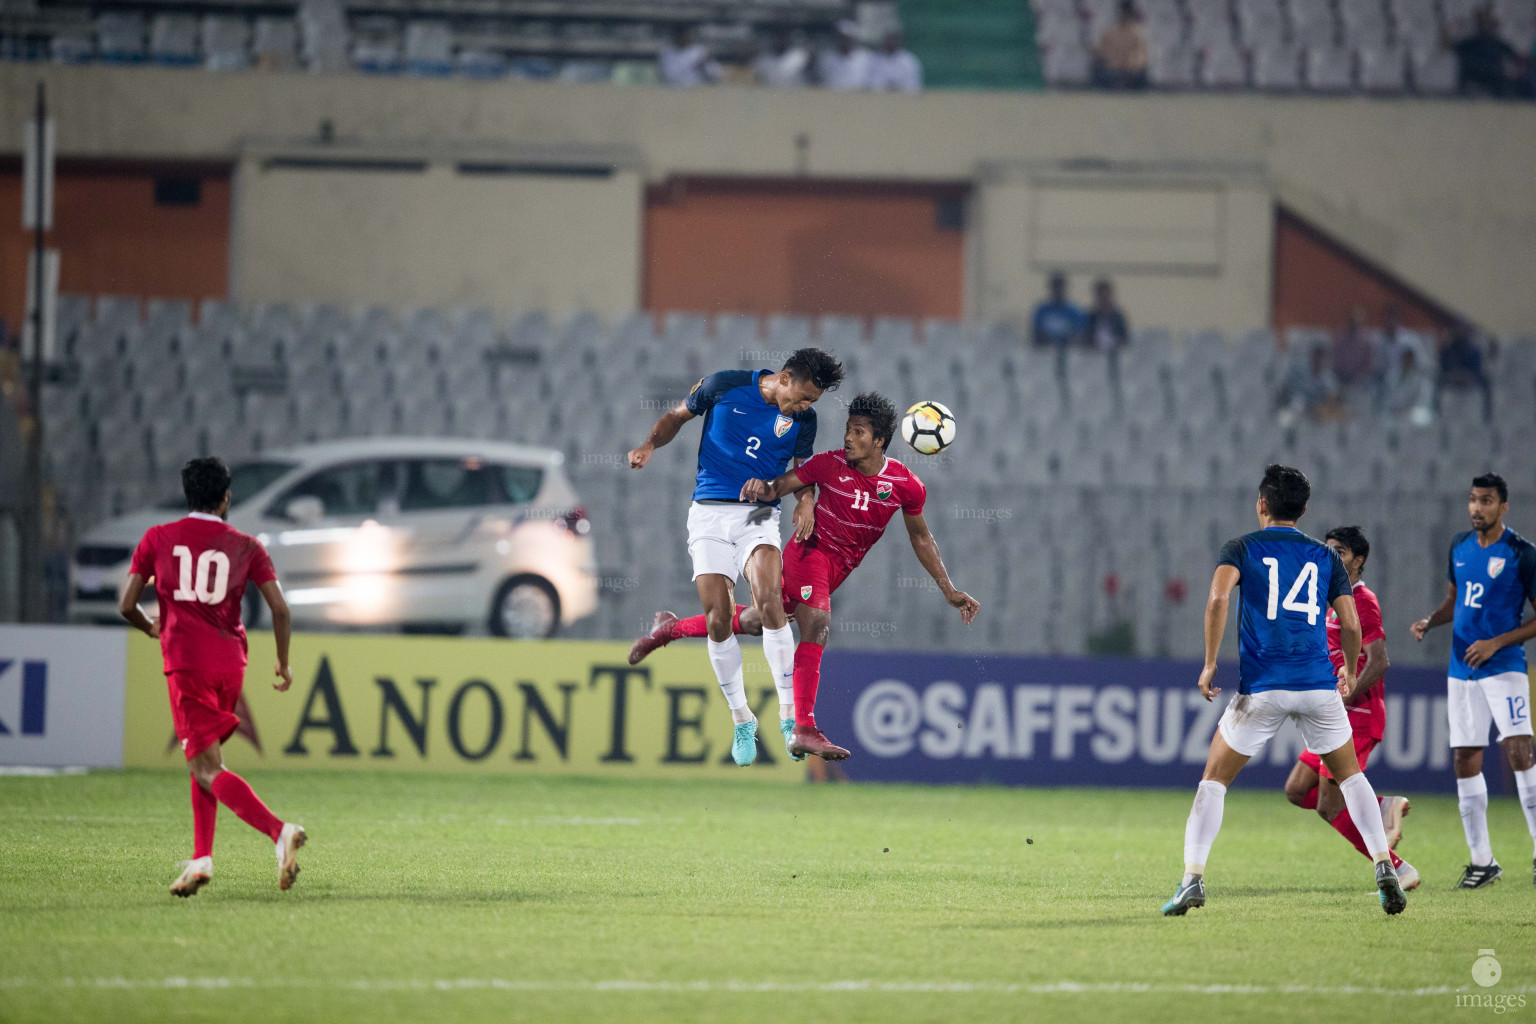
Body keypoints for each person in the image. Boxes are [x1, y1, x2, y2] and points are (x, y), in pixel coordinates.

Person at [627, 393, 980, 760]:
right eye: (847, 429)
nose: (847, 438)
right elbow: (783, 484)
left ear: (879, 441)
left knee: (752, 621)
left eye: (858, 432)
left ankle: (668, 629)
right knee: (817, 626)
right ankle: (804, 728)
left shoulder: (907, 486)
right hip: (810, 553)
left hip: (839, 568)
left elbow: (921, 536)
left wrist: (949, 590)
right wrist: (762, 488)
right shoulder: (830, 464)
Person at [1162, 465, 1407, 917]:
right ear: (1304, 509)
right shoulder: (1326, 557)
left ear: (1261, 504)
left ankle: (1191, 879)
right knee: (1352, 778)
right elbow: (1350, 623)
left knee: (1214, 780)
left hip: (1264, 687)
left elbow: (1218, 600)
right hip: (1318, 685)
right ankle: (1384, 868)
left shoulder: (1240, 548)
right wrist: (1349, 673)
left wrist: (1211, 662)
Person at [627, 349, 844, 766]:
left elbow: (802, 468)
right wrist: (649, 444)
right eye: (802, 397)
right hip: (708, 515)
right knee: (718, 619)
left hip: (758, 515)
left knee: (770, 599)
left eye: (812, 402)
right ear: (784, 377)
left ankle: (787, 716)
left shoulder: (803, 420)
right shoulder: (722, 384)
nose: (805, 407)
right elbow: (676, 417)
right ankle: (742, 718)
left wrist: (806, 501)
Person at [119, 457, 306, 898]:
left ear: (187, 496)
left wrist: (153, 627)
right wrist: (282, 661)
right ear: (225, 499)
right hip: (230, 664)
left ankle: (279, 831)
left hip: (187, 663)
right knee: (205, 761)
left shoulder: (158, 538)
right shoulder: (246, 546)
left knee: (204, 767)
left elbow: (127, 604)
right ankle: (201, 857)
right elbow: (280, 609)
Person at [1410, 473, 1536, 888]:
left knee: (1520, 750)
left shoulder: (1521, 553)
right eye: (1472, 500)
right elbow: (1456, 600)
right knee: (1465, 757)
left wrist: (1495, 643)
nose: (1476, 508)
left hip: (1504, 667)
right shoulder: (1459, 547)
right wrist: (1431, 620)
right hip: (1460, 668)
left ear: (1503, 506)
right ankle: (1482, 862)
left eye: (1486, 501)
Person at [1283, 526, 1418, 890]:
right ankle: (1377, 806)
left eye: (1339, 552)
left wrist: (1345, 695)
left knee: (1330, 804)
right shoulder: (1330, 598)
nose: (1330, 558)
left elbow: (1379, 660)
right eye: (1327, 550)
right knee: (1297, 790)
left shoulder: (1362, 599)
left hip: (1356, 716)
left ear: (1358, 561)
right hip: (1333, 713)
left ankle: (1398, 869)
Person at [1445, 6, 1527, 97]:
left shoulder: (1494, 41)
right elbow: (1451, 47)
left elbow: (1515, 55)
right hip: (1477, 74)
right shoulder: (1472, 41)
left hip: (1492, 75)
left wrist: (1517, 69)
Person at [1437, 321, 1493, 421]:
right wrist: (1453, 376)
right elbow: (1443, 369)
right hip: (1451, 381)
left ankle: (1486, 418)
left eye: (1464, 330)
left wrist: (1466, 376)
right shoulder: (1447, 350)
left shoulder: (1475, 351)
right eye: (1459, 330)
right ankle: (1436, 416)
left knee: (1487, 381)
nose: (1462, 333)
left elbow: (1477, 369)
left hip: (1470, 381)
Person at [1092, 0, 1149, 90]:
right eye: (1122, 12)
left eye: (1126, 13)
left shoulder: (1137, 33)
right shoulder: (1109, 32)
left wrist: (1130, 67)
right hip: (1112, 71)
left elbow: (1140, 55)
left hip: (1130, 72)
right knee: (1099, 70)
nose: (1123, 15)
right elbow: (1101, 53)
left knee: (1142, 74)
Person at [1031, 272, 1084, 348]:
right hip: (1045, 351)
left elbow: (1078, 335)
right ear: (1051, 288)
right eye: (1055, 287)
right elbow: (1036, 334)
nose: (1058, 290)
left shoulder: (1073, 312)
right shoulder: (1042, 311)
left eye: (1061, 287)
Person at [817, 22, 873, 90]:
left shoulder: (865, 59)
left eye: (848, 39)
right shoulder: (826, 59)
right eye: (842, 38)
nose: (845, 42)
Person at [1084, 277, 1129, 351]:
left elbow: (1125, 338)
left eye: (1106, 294)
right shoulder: (1092, 317)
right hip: (1095, 354)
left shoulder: (1117, 316)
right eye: (1101, 295)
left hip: (1114, 353)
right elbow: (1086, 336)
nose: (1104, 298)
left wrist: (1116, 342)